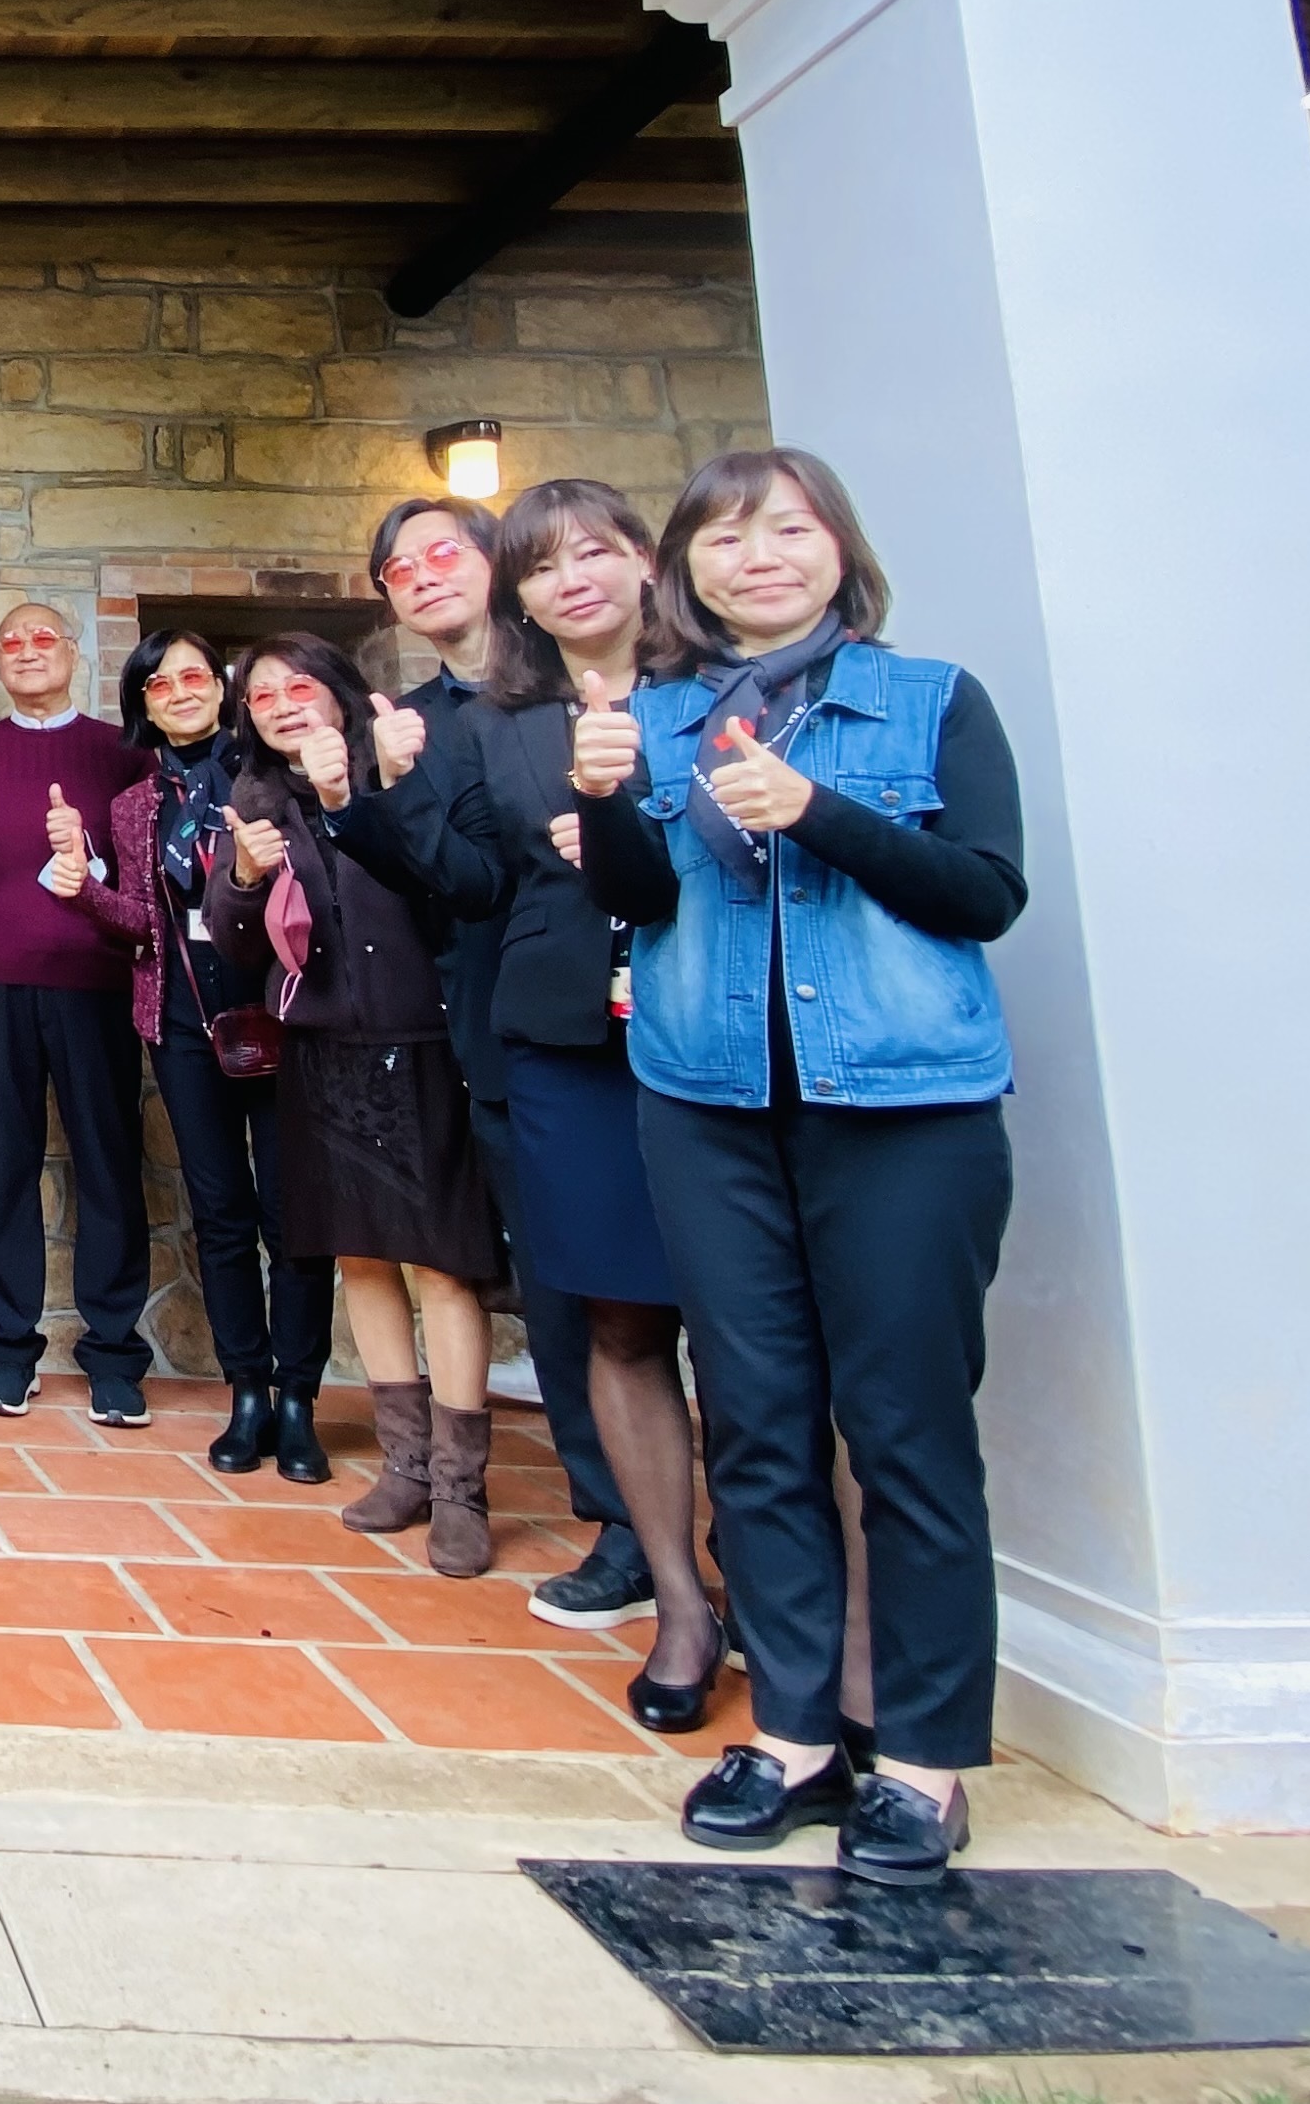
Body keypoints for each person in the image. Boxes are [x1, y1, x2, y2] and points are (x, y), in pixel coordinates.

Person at [572, 446, 1025, 1884]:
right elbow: (636, 900)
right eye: (722, 536)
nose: (754, 556)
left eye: (785, 528)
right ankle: (790, 1732)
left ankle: (924, 1754)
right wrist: (597, 802)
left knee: (903, 1428)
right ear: (687, 568)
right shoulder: (655, 714)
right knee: (756, 1417)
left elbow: (985, 892)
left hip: (901, 1107)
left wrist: (816, 811)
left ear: (836, 545)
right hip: (705, 1098)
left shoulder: (929, 698)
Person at [363, 480, 723, 1722]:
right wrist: (380, 787)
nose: (567, 579)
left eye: (442, 554)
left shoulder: (718, 689)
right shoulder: (480, 727)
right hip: (548, 1027)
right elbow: (466, 881)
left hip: (707, 1023)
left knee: (737, 1312)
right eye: (398, 571)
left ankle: (771, 1577)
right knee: (587, 1297)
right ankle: (630, 1535)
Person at [208, 631, 503, 1574]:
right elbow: (236, 945)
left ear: (339, 691)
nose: (285, 705)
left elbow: (457, 888)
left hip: (420, 1042)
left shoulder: (406, 764)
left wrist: (363, 795)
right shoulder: (252, 803)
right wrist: (245, 881)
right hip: (321, 1049)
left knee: (442, 1266)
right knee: (364, 1259)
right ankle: (405, 1467)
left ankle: (463, 1486)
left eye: (300, 686)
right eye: (262, 698)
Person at [86, 630, 328, 1483]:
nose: (180, 691)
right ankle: (248, 1392)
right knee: (221, 1212)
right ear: (142, 703)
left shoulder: (273, 778)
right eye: (160, 683)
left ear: (222, 690)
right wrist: (80, 884)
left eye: (194, 676)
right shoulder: (133, 806)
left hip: (286, 1017)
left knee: (294, 1216)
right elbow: (140, 926)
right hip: (186, 1024)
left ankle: (300, 1399)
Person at [0, 600, 151, 1421]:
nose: (26, 652)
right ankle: (10, 1347)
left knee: (108, 1167)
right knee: (2, 1167)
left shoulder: (122, 753)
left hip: (97, 985)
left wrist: (93, 859)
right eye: (11, 643)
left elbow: (149, 877)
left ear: (73, 653)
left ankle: (115, 1355)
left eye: (42, 638)